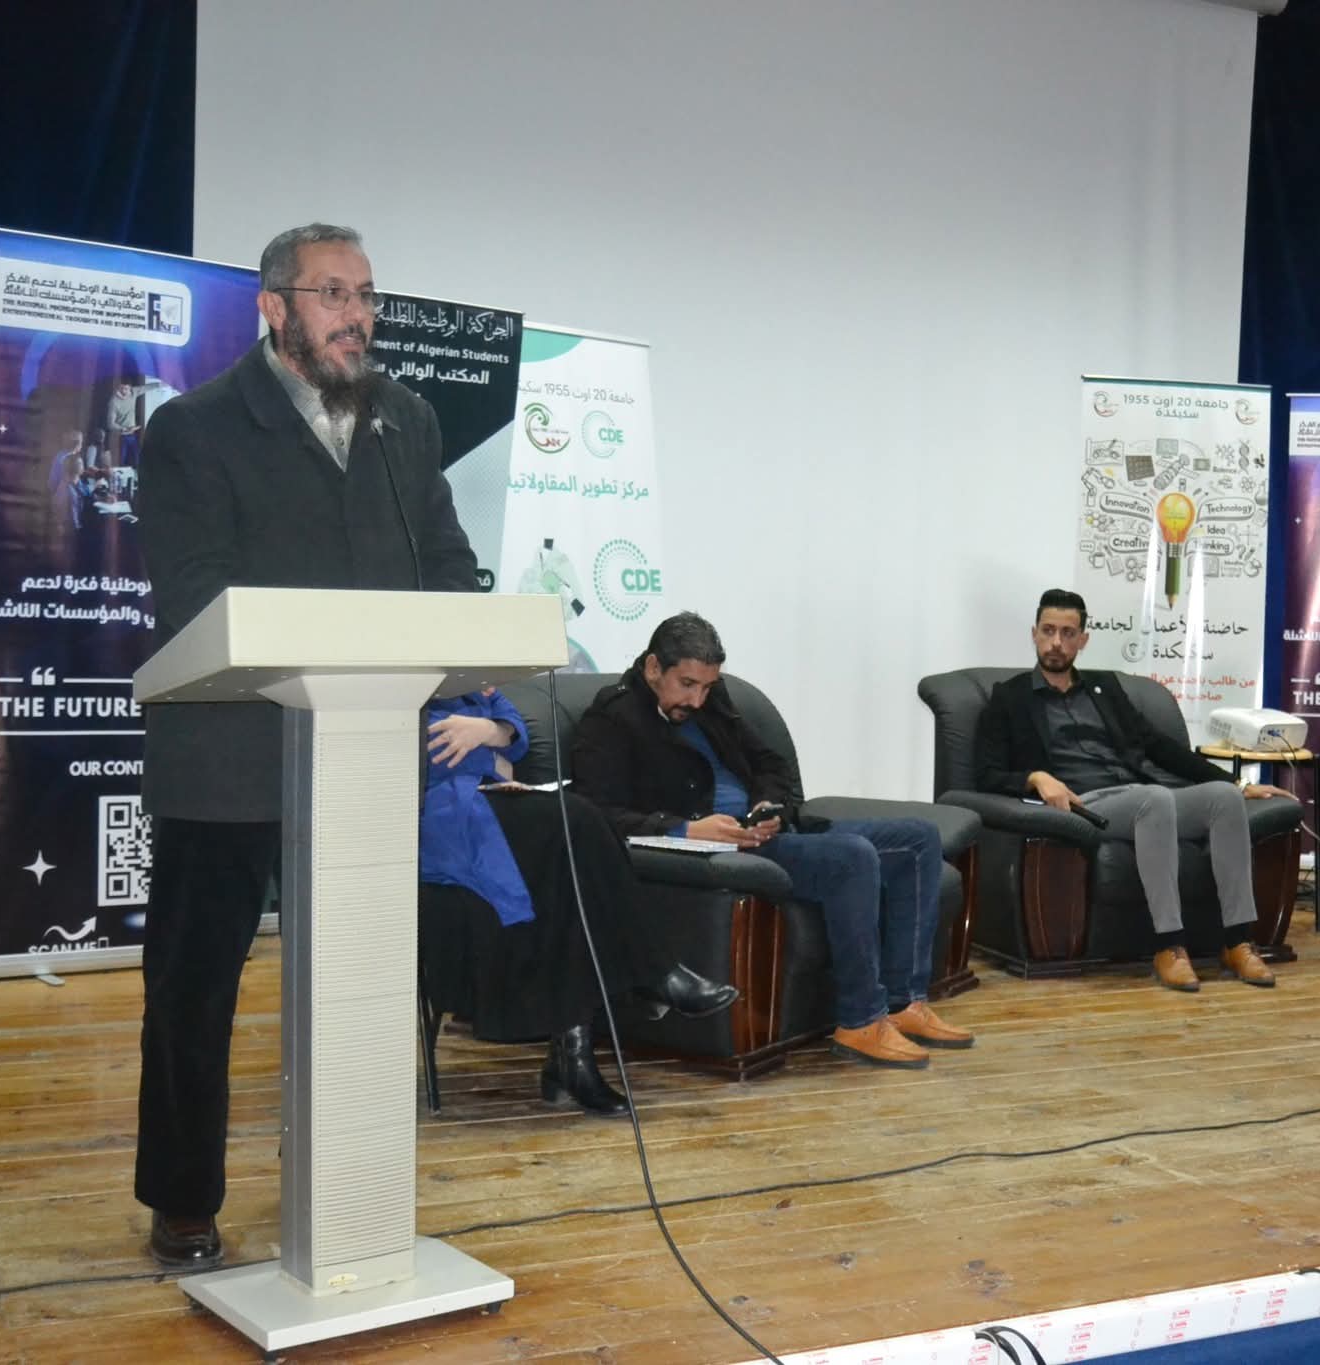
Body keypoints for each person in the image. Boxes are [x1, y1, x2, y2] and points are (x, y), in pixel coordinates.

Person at [134, 223, 479, 1271]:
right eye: (333, 293)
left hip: (363, 753)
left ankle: (346, 1186)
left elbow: (448, 565)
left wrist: (452, 632)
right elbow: (192, 591)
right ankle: (182, 1198)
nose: (357, 315)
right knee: (194, 992)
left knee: (361, 985)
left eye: (366, 295)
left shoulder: (406, 420)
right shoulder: (194, 428)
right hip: (227, 754)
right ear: (273, 306)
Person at [571, 612, 971, 1070]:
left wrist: (768, 806)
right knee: (852, 857)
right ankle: (861, 1021)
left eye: (706, 687)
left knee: (919, 839)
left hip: (765, 832)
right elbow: (594, 812)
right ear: (652, 668)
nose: (697, 700)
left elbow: (770, 764)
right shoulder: (612, 718)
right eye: (687, 685)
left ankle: (903, 1002)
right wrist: (685, 828)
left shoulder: (714, 702)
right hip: (721, 850)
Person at [418, 689, 737, 1117]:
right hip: (438, 818)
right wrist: (489, 749)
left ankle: (574, 1060)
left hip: (489, 801)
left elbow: (514, 728)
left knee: (572, 868)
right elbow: (430, 752)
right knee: (577, 820)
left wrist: (489, 731)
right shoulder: (408, 677)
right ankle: (657, 974)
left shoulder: (472, 678)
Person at [973, 588, 1283, 994]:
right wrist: (1035, 777)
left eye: (1068, 633)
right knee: (1153, 801)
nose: (1056, 642)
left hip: (1143, 794)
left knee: (1223, 801)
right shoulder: (1009, 697)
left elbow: (1159, 747)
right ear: (1034, 634)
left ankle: (1237, 941)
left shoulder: (1105, 689)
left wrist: (1236, 783)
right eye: (1048, 631)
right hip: (1085, 804)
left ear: (1083, 640)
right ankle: (1169, 945)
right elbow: (986, 774)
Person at [106, 377, 143, 466]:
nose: (123, 391)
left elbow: (147, 387)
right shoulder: (114, 401)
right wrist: (124, 429)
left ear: (130, 388)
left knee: (137, 460)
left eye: (126, 389)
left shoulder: (134, 392)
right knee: (121, 462)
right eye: (121, 388)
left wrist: (162, 384)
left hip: (132, 435)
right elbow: (110, 424)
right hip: (120, 437)